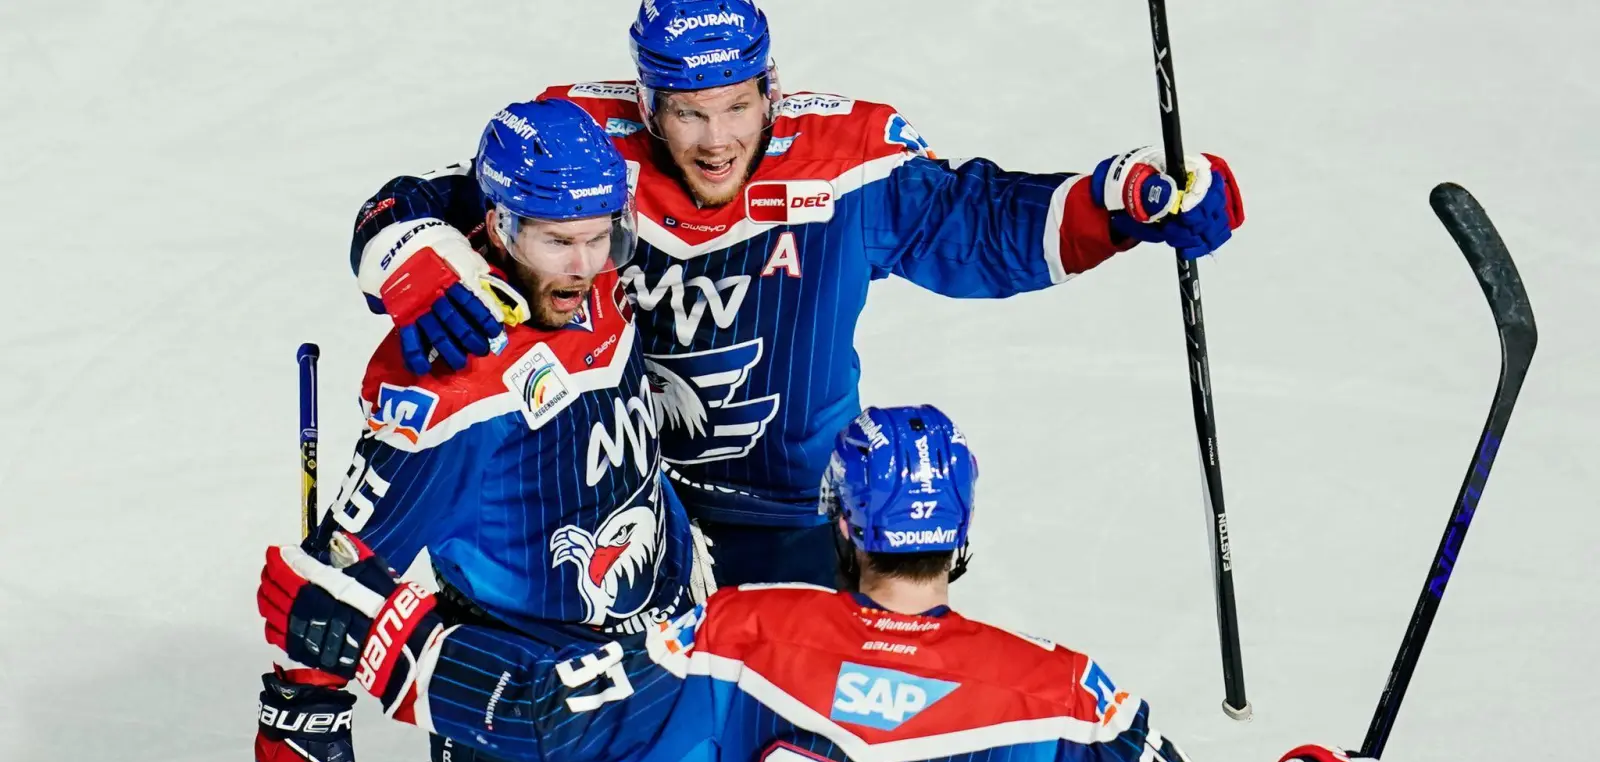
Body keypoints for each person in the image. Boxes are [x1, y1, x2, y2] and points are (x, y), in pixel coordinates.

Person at [257, 405, 1404, 762]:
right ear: (960, 538)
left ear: (844, 525)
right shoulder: (1054, 694)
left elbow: (556, 716)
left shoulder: (746, 636)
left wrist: (376, 649)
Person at [348, 0, 1247, 593]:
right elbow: (425, 201)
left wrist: (1121, 202)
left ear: (772, 87)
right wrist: (414, 257)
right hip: (616, 504)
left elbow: (975, 226)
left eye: (737, 107)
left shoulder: (846, 158)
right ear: (647, 100)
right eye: (688, 113)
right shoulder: (583, 139)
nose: (714, 140)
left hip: (793, 521)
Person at [252, 98, 733, 762]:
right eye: (558, 242)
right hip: (519, 705)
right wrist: (304, 708)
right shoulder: (449, 378)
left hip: (668, 667)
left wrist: (400, 237)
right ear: (501, 228)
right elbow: (345, 566)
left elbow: (422, 197)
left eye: (599, 236)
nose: (584, 267)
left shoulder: (593, 270)